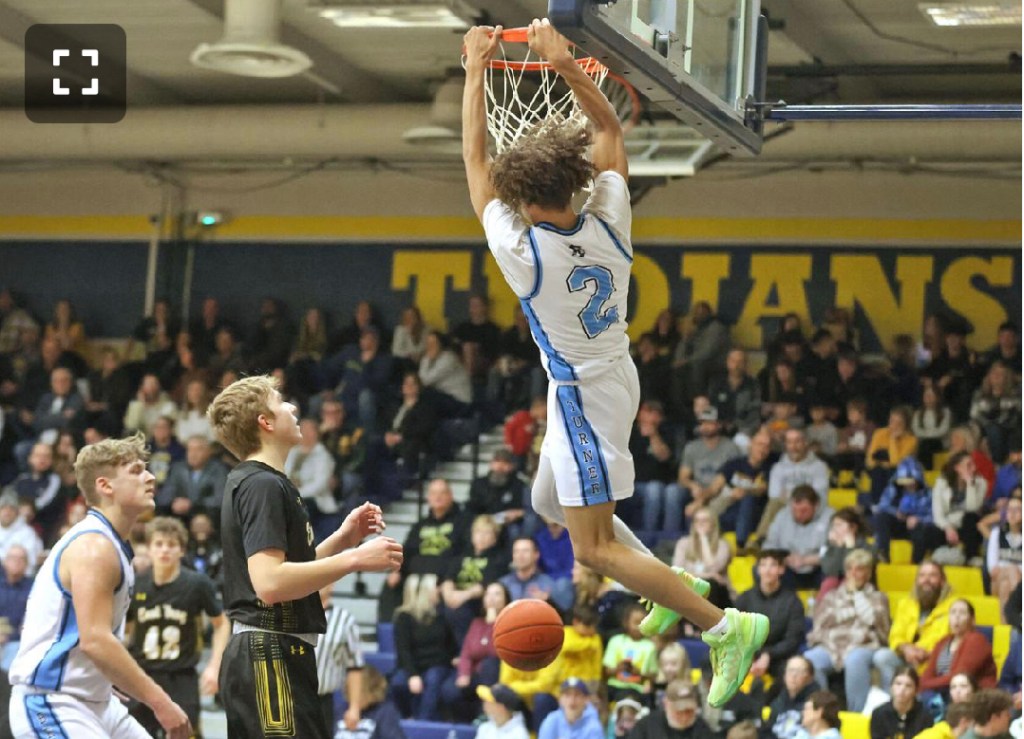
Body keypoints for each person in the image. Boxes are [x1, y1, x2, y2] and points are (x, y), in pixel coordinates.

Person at [462, 18, 767, 708]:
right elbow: (609, 136)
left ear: (523, 199)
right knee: (546, 500)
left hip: (581, 395)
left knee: (593, 550)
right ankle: (674, 585)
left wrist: (477, 70)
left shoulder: (526, 256)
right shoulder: (608, 215)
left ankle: (724, 624)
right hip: (611, 374)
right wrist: (565, 64)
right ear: (574, 183)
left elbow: (478, 169)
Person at [207, 375, 403, 739]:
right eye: (280, 402)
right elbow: (269, 583)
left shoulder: (264, 482)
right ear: (265, 422)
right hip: (268, 649)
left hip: (272, 650)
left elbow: (289, 571)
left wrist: (344, 539)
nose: (293, 407)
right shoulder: (262, 485)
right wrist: (356, 560)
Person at [7, 434, 191, 738]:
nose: (149, 477)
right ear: (105, 486)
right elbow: (95, 640)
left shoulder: (114, 544)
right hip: (52, 699)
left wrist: (100, 677)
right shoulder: (94, 546)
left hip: (97, 701)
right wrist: (161, 703)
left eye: (146, 469)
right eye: (135, 471)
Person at [125, 516, 229, 738]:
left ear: (181, 550)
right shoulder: (137, 583)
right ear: (149, 549)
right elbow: (125, 630)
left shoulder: (197, 584)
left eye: (171, 545)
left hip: (181, 676)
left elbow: (221, 624)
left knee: (186, 733)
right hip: (142, 675)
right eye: (158, 544)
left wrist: (214, 666)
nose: (165, 550)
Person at [803, 549, 891, 712]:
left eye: (859, 569)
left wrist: (856, 596)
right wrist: (854, 612)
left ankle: (856, 714)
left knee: (854, 659)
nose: (854, 573)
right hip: (831, 644)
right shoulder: (832, 596)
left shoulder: (878, 597)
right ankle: (822, 710)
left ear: (868, 573)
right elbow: (822, 622)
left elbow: (875, 622)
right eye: (850, 569)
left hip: (863, 645)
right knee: (810, 659)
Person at [874, 561, 954, 691]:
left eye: (932, 575)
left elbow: (946, 638)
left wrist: (920, 651)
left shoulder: (952, 607)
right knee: (882, 656)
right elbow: (895, 634)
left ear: (942, 581)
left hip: (934, 660)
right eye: (922, 576)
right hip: (906, 657)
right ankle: (893, 700)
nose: (926, 580)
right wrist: (905, 648)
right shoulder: (906, 603)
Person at [734, 550, 807, 690]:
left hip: (778, 657)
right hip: (747, 653)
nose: (767, 570)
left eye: (772, 565)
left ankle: (774, 707)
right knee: (712, 660)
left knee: (791, 671)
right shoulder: (744, 598)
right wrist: (751, 656)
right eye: (763, 565)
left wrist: (768, 655)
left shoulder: (792, 601)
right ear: (758, 569)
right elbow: (735, 632)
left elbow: (792, 640)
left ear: (781, 570)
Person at [390, 573, 457, 721]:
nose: (439, 590)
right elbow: (403, 650)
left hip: (437, 664)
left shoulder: (442, 615)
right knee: (398, 683)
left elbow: (451, 645)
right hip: (413, 665)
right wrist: (413, 674)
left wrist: (456, 657)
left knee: (433, 679)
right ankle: (406, 718)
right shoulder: (403, 617)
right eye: (435, 587)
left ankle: (422, 725)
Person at [919, 599, 997, 698]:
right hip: (942, 691)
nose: (957, 617)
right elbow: (929, 672)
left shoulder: (977, 641)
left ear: (972, 620)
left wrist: (925, 684)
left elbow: (958, 676)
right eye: (953, 612)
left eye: (962, 613)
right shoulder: (943, 641)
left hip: (973, 695)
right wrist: (923, 684)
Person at [315, 583, 364, 734]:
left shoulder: (345, 620)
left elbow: (355, 667)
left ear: (331, 585)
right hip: (287, 698)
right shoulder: (288, 615)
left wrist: (354, 707)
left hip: (322, 701)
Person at [628, 678, 718, 739]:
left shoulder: (703, 729)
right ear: (666, 704)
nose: (684, 716)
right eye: (678, 711)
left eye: (689, 711)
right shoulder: (645, 726)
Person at [762, 656, 818, 739]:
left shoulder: (816, 704)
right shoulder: (778, 702)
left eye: (800, 671)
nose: (793, 675)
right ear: (784, 675)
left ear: (809, 678)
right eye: (790, 670)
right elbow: (768, 731)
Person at [870, 667, 934, 739]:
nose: (902, 689)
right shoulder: (879, 714)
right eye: (898, 684)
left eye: (908, 686)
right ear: (891, 687)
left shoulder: (925, 717)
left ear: (916, 691)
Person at [536, 677, 604, 739]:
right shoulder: (551, 721)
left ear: (586, 700)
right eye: (567, 695)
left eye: (577, 695)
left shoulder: (593, 726)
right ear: (560, 699)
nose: (572, 701)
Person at [0, 545, 32, 672]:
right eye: (13, 558)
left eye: (21, 559)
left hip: (17, 641)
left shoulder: (33, 588)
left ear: (27, 564)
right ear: (5, 561)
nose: (16, 562)